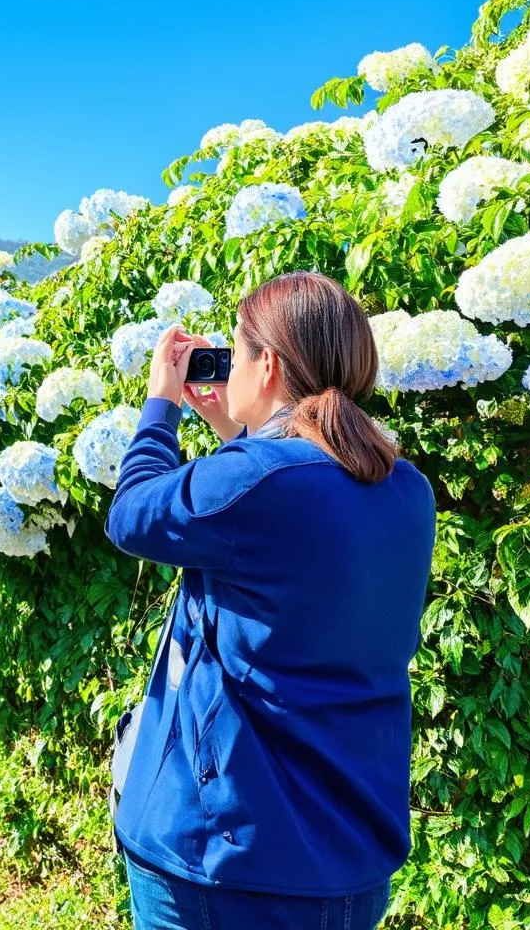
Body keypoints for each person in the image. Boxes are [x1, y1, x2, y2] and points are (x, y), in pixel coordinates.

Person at [105, 272, 436, 930]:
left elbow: (132, 513)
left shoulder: (253, 482)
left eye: (236, 353)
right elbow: (285, 531)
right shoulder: (407, 489)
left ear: (269, 364)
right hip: (350, 849)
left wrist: (160, 406)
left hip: (229, 859)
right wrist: (237, 432)